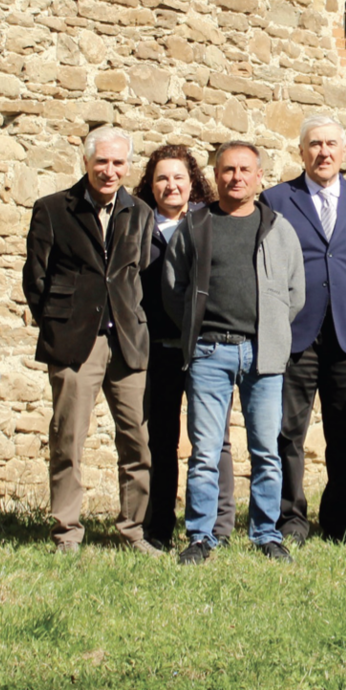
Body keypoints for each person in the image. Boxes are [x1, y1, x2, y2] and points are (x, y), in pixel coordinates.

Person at [163, 141, 305, 564]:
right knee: (205, 453)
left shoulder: (278, 228)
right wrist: (196, 329)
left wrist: (272, 330)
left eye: (245, 170)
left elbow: (294, 292)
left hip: (263, 355)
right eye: (228, 170)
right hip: (209, 352)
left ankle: (266, 534)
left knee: (266, 452)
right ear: (216, 174)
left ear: (260, 177)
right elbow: (173, 288)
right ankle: (201, 537)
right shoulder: (196, 225)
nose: (236, 177)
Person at [22, 125, 161, 556]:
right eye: (101, 161)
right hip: (74, 342)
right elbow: (35, 278)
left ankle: (133, 530)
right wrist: (58, 323)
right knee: (68, 440)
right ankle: (67, 532)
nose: (109, 170)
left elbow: (143, 275)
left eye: (118, 162)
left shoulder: (141, 212)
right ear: (85, 162)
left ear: (128, 166)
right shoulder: (52, 209)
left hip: (127, 342)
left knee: (138, 441)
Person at [261, 116, 346, 545]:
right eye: (314, 144)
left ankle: (340, 520)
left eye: (331, 144)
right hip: (296, 333)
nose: (323, 152)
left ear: (343, 151)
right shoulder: (277, 199)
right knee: (287, 432)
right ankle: (290, 519)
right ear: (301, 152)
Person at [134, 145, 236, 549]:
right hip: (156, 348)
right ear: (151, 184)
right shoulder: (138, 225)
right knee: (159, 440)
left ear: (193, 182)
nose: (171, 185)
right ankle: (158, 527)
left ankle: (218, 526)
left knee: (214, 440)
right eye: (162, 178)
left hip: (204, 347)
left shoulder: (209, 223)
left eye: (179, 177)